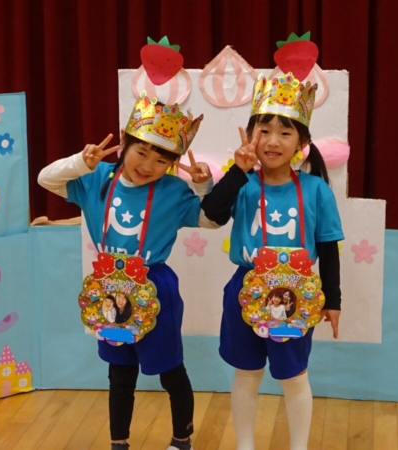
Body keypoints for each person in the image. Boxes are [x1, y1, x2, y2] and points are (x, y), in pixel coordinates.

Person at [38, 92, 217, 450]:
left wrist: (203, 186)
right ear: (124, 141)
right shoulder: (97, 178)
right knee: (119, 373)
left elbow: (209, 220)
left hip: (155, 287)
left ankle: (181, 440)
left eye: (162, 159)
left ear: (172, 164)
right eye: (141, 152)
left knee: (171, 370)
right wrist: (80, 163)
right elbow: (46, 179)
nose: (148, 165)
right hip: (109, 288)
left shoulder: (173, 190)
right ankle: (118, 443)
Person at [201, 71, 344, 450]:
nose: (273, 140)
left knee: (294, 376)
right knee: (246, 374)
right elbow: (212, 213)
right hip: (244, 289)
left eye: (285, 132)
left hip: (296, 295)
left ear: (302, 142)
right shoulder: (242, 183)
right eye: (264, 131)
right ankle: (245, 445)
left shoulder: (316, 190)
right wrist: (237, 170)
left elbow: (328, 245)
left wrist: (332, 299)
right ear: (250, 135)